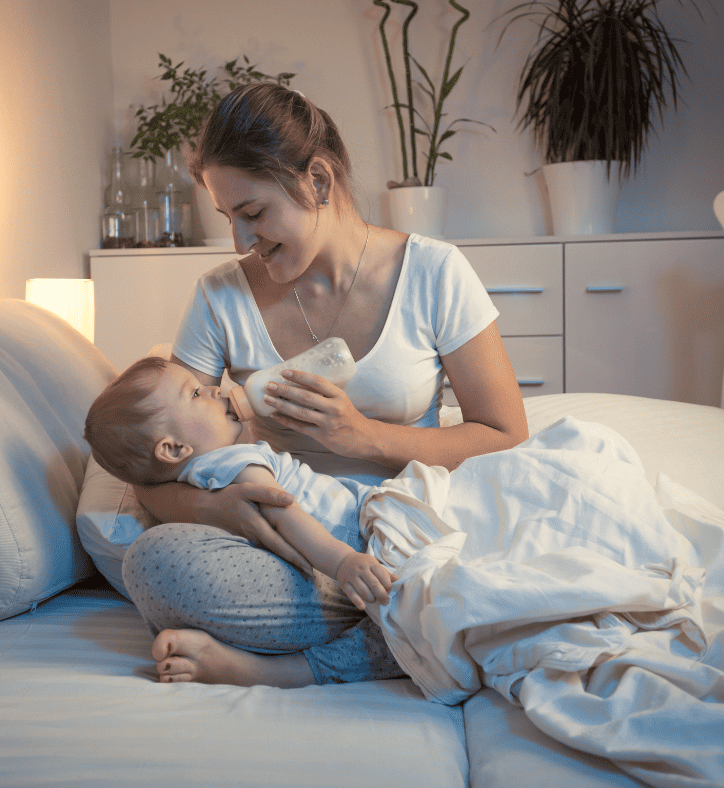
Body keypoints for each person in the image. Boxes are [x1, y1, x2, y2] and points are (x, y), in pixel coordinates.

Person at [119, 82, 529, 690]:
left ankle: (303, 658)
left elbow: (505, 437)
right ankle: (409, 628)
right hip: (291, 552)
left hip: (406, 535)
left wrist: (364, 438)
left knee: (497, 566)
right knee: (153, 564)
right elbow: (155, 474)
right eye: (229, 218)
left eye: (253, 214)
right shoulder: (219, 296)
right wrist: (221, 506)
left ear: (316, 180)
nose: (240, 241)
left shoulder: (434, 272)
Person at [86, 358, 704, 694]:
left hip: (367, 516)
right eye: (197, 395)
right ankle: (289, 671)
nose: (217, 391)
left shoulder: (211, 461)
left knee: (423, 601)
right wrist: (343, 562)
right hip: (353, 542)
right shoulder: (230, 462)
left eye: (252, 213)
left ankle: (286, 668)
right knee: (414, 612)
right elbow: (284, 513)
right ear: (169, 450)